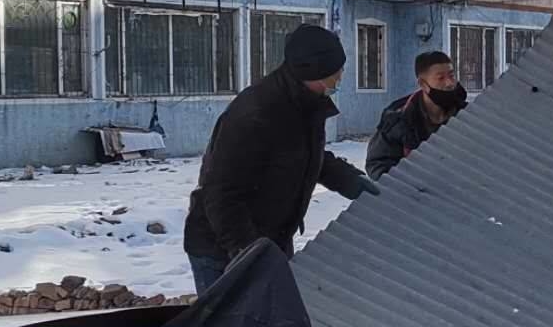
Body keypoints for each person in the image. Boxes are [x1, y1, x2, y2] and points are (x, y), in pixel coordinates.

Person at [183, 24, 378, 295]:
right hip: (223, 249)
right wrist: (248, 252)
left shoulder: (303, 102)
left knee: (273, 325)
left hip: (270, 240)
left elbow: (305, 154)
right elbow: (222, 193)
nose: (339, 79)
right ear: (312, 72)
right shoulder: (255, 114)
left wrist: (349, 179)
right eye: (334, 74)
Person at [366, 51, 469, 179]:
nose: (449, 83)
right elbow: (378, 164)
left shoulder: (468, 115)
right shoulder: (398, 117)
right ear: (422, 84)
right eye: (441, 78)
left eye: (452, 76)